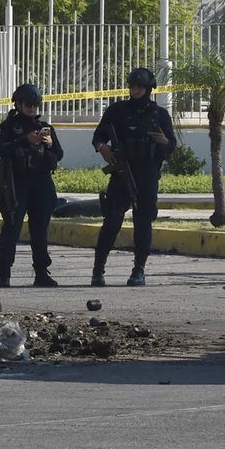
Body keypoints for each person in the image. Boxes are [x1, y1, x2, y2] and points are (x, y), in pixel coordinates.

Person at [91, 66, 175, 287]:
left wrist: (164, 142)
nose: (135, 90)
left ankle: (139, 270)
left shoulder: (159, 115)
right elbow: (98, 135)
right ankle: (98, 270)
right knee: (112, 221)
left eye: (140, 87)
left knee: (143, 222)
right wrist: (103, 147)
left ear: (148, 89)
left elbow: (172, 145)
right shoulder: (117, 111)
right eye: (133, 86)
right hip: (121, 173)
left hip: (146, 175)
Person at [0, 84, 62, 289]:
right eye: (28, 104)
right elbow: (1, 150)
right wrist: (24, 140)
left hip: (41, 182)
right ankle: (4, 273)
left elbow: (58, 154)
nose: (31, 108)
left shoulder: (44, 126)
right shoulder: (8, 127)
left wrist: (48, 143)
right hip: (17, 182)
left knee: (40, 229)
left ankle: (41, 272)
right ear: (19, 104)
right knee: (12, 227)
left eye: (35, 105)